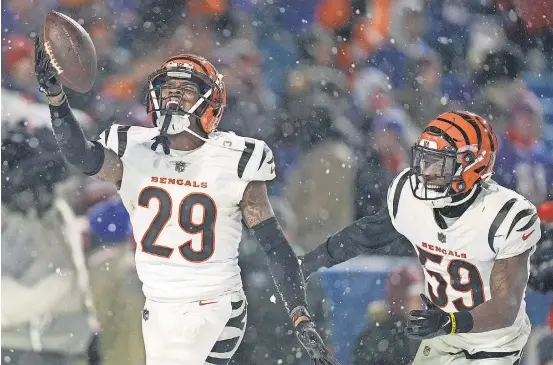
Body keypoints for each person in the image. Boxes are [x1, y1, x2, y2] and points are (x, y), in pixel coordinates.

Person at [34, 37, 339, 365]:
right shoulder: (134, 149)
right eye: (168, 88)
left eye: (187, 89)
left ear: (211, 104)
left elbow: (276, 246)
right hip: (159, 306)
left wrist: (299, 314)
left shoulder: (235, 159)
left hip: (215, 306)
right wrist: (56, 98)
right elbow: (81, 155)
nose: (173, 96)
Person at [300, 110, 542, 365]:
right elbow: (365, 234)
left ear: (472, 164)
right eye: (426, 160)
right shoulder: (412, 197)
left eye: (440, 162)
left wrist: (451, 321)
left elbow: (506, 307)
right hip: (444, 333)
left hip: (493, 341)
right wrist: (308, 262)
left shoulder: (505, 215)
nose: (427, 172)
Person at [1, 122, 100, 365]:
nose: (46, 190)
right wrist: (54, 283)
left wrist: (89, 332)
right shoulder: (8, 221)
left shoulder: (56, 210)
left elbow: (75, 274)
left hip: (69, 346)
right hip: (21, 347)